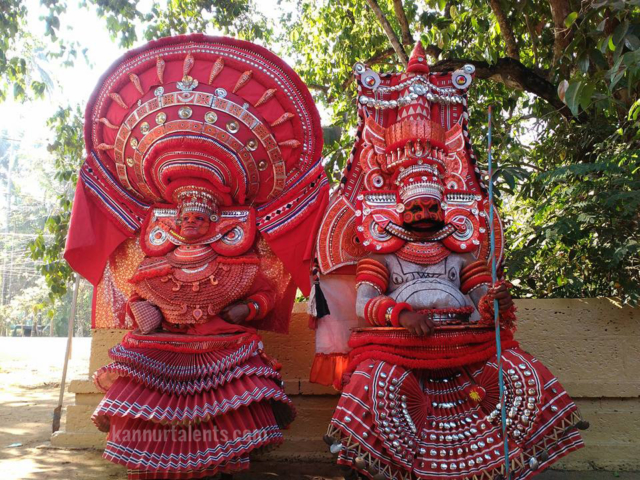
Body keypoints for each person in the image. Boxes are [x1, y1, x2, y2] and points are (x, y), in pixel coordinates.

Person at [312, 42, 587, 480]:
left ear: (447, 209)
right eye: (415, 209)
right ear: (397, 210)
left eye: (433, 209)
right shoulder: (380, 254)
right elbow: (365, 302)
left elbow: (479, 295)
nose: (425, 216)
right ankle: (379, 465)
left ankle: (501, 462)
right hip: (398, 346)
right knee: (371, 383)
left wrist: (492, 301)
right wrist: (402, 313)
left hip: (464, 344)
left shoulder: (461, 252)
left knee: (516, 370)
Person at [64, 34, 328, 480]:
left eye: (201, 215)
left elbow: (262, 297)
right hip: (163, 344)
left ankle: (219, 458)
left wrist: (244, 307)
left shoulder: (238, 265)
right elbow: (138, 297)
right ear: (169, 219)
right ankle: (155, 459)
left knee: (241, 354)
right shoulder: (155, 262)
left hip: (219, 339)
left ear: (219, 221)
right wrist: (145, 311)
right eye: (183, 214)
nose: (190, 220)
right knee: (139, 355)